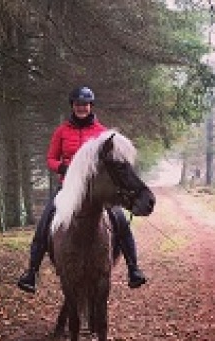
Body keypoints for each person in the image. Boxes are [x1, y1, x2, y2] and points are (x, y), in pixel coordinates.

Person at [17, 86, 147, 294]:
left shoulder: (103, 134)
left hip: (96, 190)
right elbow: (51, 158)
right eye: (78, 104)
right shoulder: (62, 131)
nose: (82, 108)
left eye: (85, 104)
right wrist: (62, 167)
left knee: (120, 220)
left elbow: (111, 162)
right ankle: (31, 272)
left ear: (90, 106)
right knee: (45, 221)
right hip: (68, 187)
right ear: (73, 106)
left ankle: (134, 269)